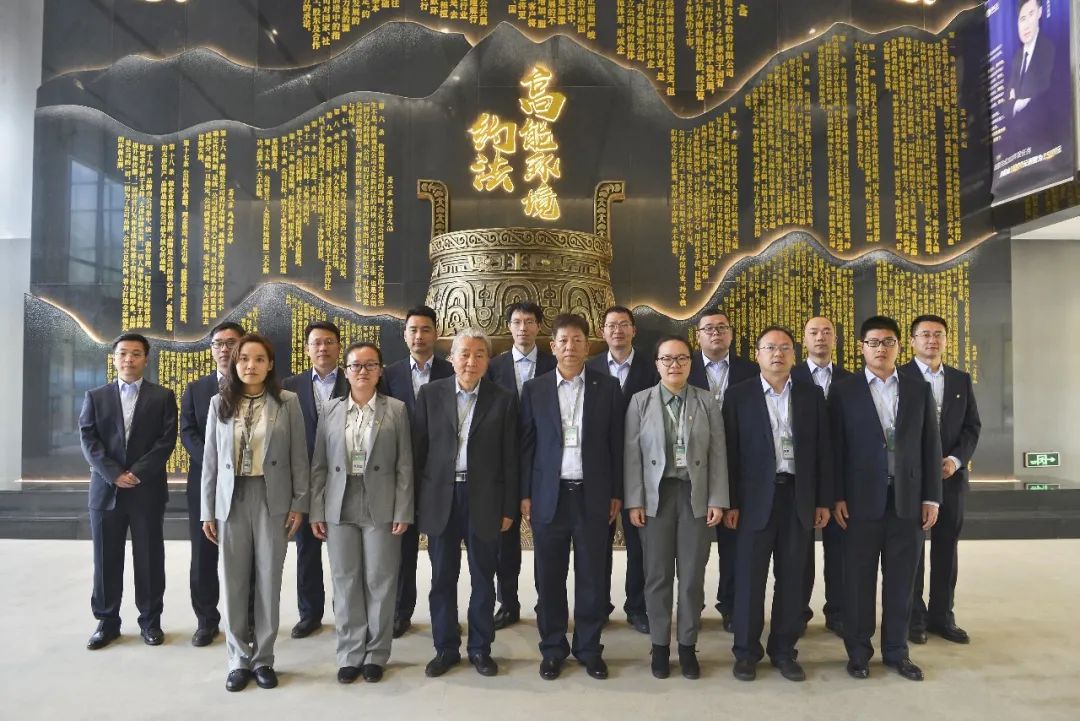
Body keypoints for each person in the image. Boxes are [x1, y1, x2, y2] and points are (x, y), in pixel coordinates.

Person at [830, 316, 941, 682]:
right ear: (861, 347)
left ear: (899, 346)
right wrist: (837, 495)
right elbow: (835, 448)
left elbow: (930, 446)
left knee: (902, 583)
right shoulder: (844, 390)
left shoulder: (918, 389)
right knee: (858, 582)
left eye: (888, 342)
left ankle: (897, 652)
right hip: (859, 503)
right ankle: (859, 653)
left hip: (907, 501)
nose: (881, 348)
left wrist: (932, 497)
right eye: (874, 342)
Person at [723, 326, 832, 682]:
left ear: (794, 355)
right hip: (753, 502)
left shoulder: (811, 395)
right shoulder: (738, 395)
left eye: (785, 348)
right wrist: (730, 502)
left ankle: (784, 651)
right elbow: (729, 454)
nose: (777, 354)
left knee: (792, 580)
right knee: (749, 580)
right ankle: (746, 652)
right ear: (757, 354)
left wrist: (822, 500)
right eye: (770, 347)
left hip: (798, 498)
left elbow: (822, 451)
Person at [201, 334, 309, 692]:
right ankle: (237, 659)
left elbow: (299, 456)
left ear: (270, 364)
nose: (251, 365)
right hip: (231, 499)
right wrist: (207, 510)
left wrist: (299, 502)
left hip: (271, 497)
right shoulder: (219, 402)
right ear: (234, 363)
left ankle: (263, 658)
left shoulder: (287, 402)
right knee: (233, 581)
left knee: (268, 581)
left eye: (259, 359)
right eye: (244, 358)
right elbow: (211, 462)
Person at [520, 313, 623, 681]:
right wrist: (525, 493)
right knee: (549, 578)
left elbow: (616, 444)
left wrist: (616, 492)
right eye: (563, 341)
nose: (570, 347)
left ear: (587, 346)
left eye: (577, 340)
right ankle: (552, 649)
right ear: (552, 346)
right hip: (549, 496)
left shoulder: (607, 387)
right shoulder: (535, 389)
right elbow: (526, 445)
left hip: (593, 495)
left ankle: (589, 649)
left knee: (593, 577)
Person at [416, 328, 519, 678]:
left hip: (484, 500)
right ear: (451, 358)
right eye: (464, 354)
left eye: (479, 354)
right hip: (441, 499)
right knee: (442, 579)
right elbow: (418, 453)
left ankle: (480, 649)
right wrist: (419, 504)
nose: (471, 361)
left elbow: (511, 459)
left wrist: (508, 508)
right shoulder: (430, 395)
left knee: (482, 579)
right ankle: (445, 649)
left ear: (488, 361)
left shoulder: (503, 399)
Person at [624, 335, 727, 680]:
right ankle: (659, 646)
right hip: (656, 497)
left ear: (690, 363)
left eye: (681, 358)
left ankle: (687, 645)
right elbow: (632, 456)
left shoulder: (706, 401)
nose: (674, 365)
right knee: (657, 575)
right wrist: (634, 500)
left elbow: (718, 454)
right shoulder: (640, 402)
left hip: (695, 496)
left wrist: (717, 499)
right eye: (666, 359)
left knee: (692, 576)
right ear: (656, 364)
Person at [310, 341, 413, 684]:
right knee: (345, 578)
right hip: (339, 501)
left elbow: (404, 465)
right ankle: (350, 652)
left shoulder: (396, 409)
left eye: (370, 365)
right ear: (346, 371)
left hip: (381, 501)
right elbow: (319, 465)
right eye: (355, 365)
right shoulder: (331, 409)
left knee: (380, 579)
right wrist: (316, 510)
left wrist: (403, 509)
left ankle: (377, 653)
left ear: (380, 371)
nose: (362, 371)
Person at [80, 333, 178, 650]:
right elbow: (88, 439)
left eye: (136, 353)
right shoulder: (96, 396)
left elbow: (166, 441)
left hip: (145, 490)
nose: (129, 359)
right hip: (106, 492)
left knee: (149, 558)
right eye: (123, 353)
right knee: (105, 560)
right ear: (114, 358)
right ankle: (107, 622)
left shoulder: (162, 397)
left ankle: (150, 621)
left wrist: (136, 473)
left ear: (146, 359)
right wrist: (113, 474)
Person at [903, 315, 981, 646]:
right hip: (912, 480)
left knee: (947, 549)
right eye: (925, 335)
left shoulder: (960, 380)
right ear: (912, 341)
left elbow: (972, 427)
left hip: (950, 478)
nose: (932, 340)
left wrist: (954, 460)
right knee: (913, 550)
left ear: (946, 341)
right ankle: (914, 618)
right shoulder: (899, 377)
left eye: (938, 335)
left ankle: (942, 616)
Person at [381, 305, 454, 638]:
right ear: (405, 334)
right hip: (401, 473)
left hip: (439, 474)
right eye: (413, 329)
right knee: (402, 548)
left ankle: (445, 617)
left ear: (435, 333)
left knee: (443, 553)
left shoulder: (451, 371)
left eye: (426, 329)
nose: (419, 336)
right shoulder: (389, 374)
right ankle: (401, 612)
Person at [587, 305, 659, 635]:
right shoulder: (589, 367)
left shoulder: (651, 368)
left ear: (634, 331)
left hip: (641, 467)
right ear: (603, 332)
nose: (618, 330)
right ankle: (598, 605)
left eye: (624, 325)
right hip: (600, 468)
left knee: (639, 543)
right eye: (611, 325)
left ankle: (637, 607)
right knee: (597, 544)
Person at [484, 301, 555, 631]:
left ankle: (546, 603)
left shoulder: (554, 363)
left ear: (539, 326)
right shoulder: (493, 367)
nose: (523, 328)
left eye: (529, 321)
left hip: (543, 463)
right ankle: (508, 603)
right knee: (504, 541)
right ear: (509, 326)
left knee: (546, 540)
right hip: (502, 464)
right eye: (517, 322)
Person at [687, 307, 757, 631]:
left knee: (735, 543)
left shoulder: (751, 370)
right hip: (693, 468)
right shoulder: (683, 367)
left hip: (739, 465)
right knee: (692, 546)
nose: (715, 333)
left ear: (730, 333)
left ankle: (730, 605)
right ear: (698, 335)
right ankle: (691, 607)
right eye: (709, 328)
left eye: (721, 327)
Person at [281, 321, 348, 639]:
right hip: (305, 480)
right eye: (316, 342)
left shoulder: (355, 379)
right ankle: (310, 614)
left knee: (344, 552)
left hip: (345, 478)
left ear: (339, 346)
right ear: (307, 349)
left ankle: (346, 613)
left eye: (329, 342)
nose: (323, 348)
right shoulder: (289, 386)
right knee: (306, 550)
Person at [180, 321, 245, 647]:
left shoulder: (254, 384)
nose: (224, 349)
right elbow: (187, 431)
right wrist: (214, 461)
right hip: (204, 483)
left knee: (245, 553)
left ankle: (246, 619)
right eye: (218, 343)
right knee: (203, 554)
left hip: (245, 482)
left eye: (231, 343)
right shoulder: (196, 389)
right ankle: (206, 620)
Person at [791, 316, 851, 636]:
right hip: (800, 476)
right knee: (799, 551)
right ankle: (798, 611)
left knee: (839, 550)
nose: (820, 337)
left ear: (835, 339)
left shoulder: (851, 380)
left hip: (840, 476)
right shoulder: (790, 377)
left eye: (827, 332)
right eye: (813, 332)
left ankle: (837, 610)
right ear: (804, 339)